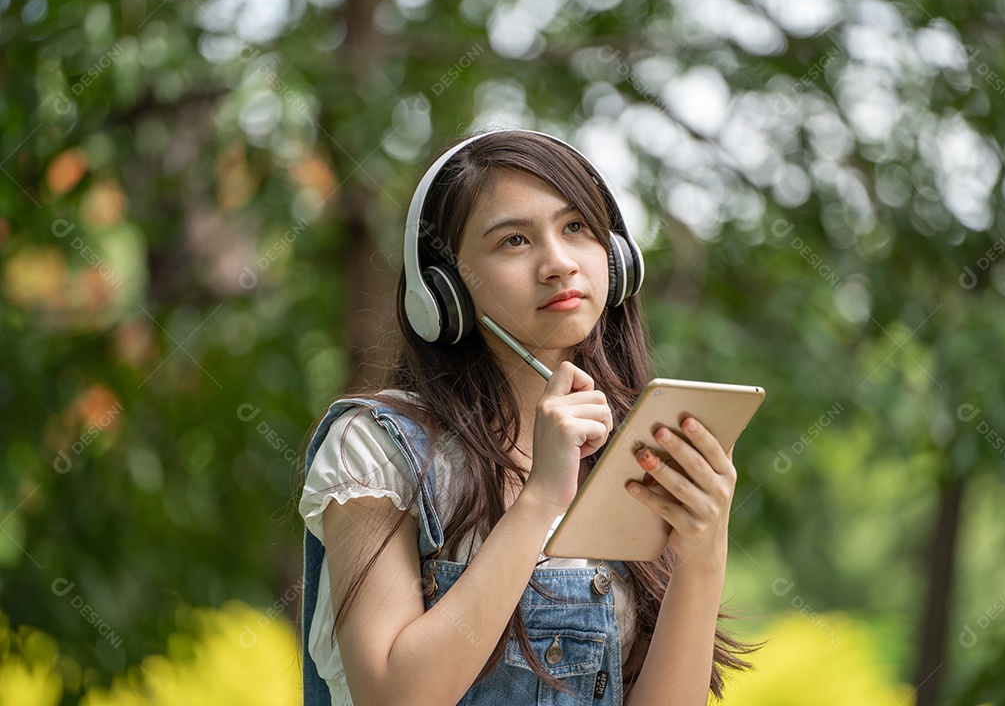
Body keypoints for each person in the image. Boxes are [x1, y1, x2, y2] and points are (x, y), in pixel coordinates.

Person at [298, 129, 753, 706]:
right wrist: (540, 500)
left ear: (616, 257)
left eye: (576, 228)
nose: (558, 264)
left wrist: (703, 553)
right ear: (444, 292)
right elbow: (393, 696)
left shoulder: (629, 451)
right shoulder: (376, 447)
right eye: (514, 240)